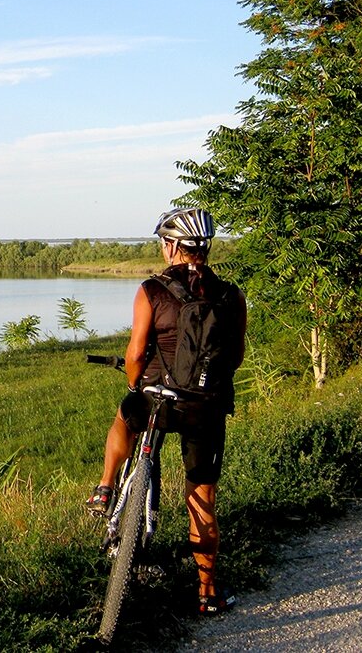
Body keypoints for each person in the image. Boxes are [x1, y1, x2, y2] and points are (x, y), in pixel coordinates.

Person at [85, 207, 246, 615]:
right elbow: (236, 357)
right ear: (204, 249)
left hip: (157, 400)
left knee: (125, 415)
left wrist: (133, 384)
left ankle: (105, 486)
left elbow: (136, 352)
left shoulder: (152, 291)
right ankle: (207, 593)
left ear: (172, 246)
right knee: (203, 496)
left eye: (163, 241)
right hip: (205, 410)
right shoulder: (232, 296)